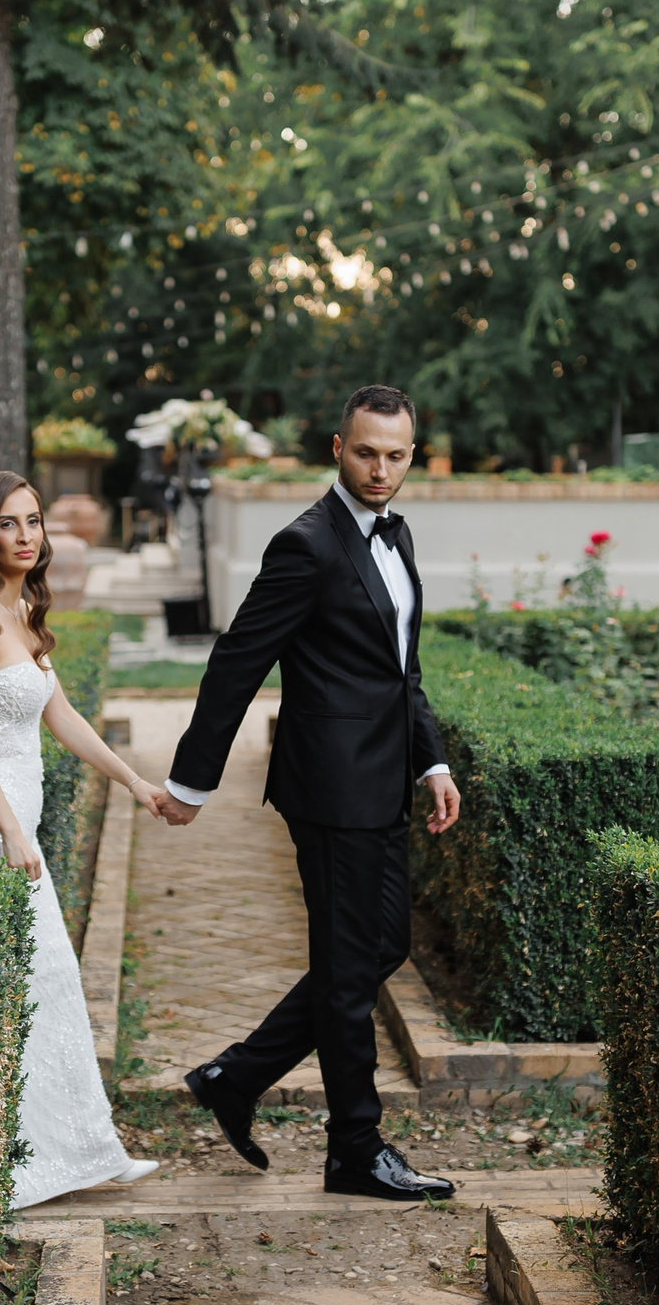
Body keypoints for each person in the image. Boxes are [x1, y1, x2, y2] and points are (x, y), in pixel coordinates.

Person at [155, 385, 463, 1202]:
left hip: (385, 779)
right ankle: (355, 1148)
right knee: (347, 966)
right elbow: (237, 659)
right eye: (367, 453)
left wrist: (431, 763)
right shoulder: (307, 544)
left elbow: (403, 673)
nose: (381, 470)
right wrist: (192, 780)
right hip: (330, 788)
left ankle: (236, 1075)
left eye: (397, 455)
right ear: (337, 447)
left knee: (371, 950)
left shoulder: (396, 537)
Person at [0, 470, 166, 1208]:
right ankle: (13, 1165)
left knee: (48, 989)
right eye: (10, 525)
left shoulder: (20, 606)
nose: (28, 538)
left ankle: (77, 1151)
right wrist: (12, 832)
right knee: (18, 991)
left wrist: (134, 781)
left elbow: (63, 719)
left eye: (34, 523)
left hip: (15, 831)